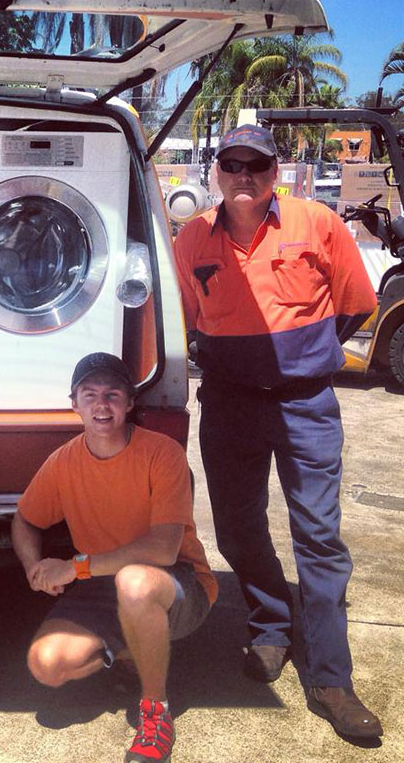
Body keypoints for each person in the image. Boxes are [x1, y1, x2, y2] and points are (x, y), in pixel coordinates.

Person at [173, 124, 382, 740]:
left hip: (305, 405)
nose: (244, 175)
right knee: (236, 527)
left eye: (256, 166)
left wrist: (298, 362)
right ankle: (270, 626)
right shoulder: (190, 241)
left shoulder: (317, 224)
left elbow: (354, 305)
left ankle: (331, 679)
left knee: (318, 535)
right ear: (216, 171)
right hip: (230, 406)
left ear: (276, 171)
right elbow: (187, 319)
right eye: (231, 164)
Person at [12, 353, 216, 763]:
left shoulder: (162, 453)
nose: (101, 405)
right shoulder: (64, 460)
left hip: (174, 582)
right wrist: (33, 566)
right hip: (102, 584)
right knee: (46, 665)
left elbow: (162, 549)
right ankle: (126, 653)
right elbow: (25, 520)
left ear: (129, 404)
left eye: (112, 394)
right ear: (74, 403)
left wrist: (73, 567)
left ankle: (156, 712)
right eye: (90, 395)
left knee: (135, 583)